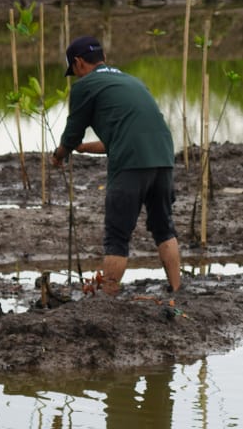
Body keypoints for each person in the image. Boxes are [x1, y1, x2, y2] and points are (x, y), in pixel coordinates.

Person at [51, 36, 181, 296]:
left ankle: (108, 298)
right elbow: (125, 136)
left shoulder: (85, 86)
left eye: (74, 71)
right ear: (103, 58)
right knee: (163, 226)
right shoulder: (132, 81)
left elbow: (72, 133)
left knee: (117, 235)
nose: (76, 77)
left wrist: (60, 154)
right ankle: (177, 291)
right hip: (163, 158)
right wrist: (85, 149)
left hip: (131, 165)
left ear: (78, 63)